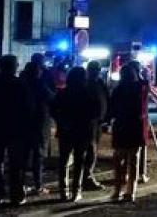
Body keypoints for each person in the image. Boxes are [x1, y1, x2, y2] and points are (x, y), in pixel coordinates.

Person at [0, 55, 34, 206]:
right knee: (16, 164)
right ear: (14, 66)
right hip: (16, 130)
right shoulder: (20, 85)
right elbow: (29, 108)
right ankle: (16, 194)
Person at [51, 66, 98, 202]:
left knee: (64, 161)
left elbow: (53, 109)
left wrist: (61, 122)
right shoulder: (87, 93)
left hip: (66, 130)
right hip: (82, 131)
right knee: (79, 162)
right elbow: (95, 111)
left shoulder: (63, 93)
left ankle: (63, 191)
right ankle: (76, 191)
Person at [110, 63, 150, 202]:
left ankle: (117, 190)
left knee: (119, 161)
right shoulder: (140, 89)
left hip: (121, 127)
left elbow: (112, 109)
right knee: (133, 161)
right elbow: (145, 83)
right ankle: (131, 192)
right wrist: (142, 74)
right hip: (136, 128)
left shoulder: (118, 90)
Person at [20, 62, 54, 196]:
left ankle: (21, 184)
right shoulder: (40, 85)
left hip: (23, 125)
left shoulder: (21, 85)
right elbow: (53, 99)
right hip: (39, 126)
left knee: (23, 157)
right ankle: (38, 185)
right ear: (37, 72)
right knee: (38, 157)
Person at [83, 61, 109, 190]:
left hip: (98, 123)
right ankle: (86, 178)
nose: (96, 72)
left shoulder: (100, 83)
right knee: (89, 151)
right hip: (88, 123)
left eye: (97, 70)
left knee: (93, 151)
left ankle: (87, 176)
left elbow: (106, 101)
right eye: (94, 70)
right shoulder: (85, 84)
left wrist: (106, 120)